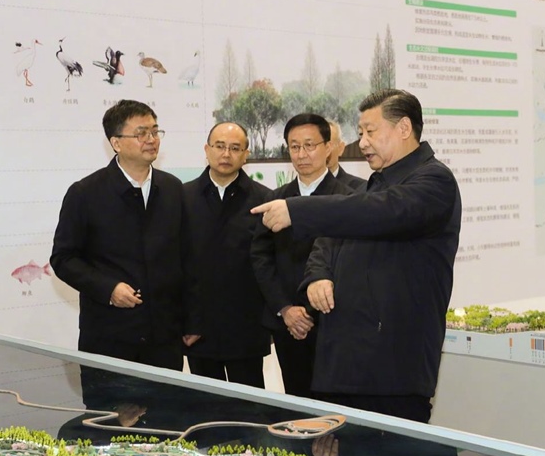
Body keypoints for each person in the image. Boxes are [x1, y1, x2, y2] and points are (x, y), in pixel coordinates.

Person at [252, 89, 462, 423]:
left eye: (370, 132)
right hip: (343, 366)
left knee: (392, 455)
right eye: (360, 133)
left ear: (403, 128)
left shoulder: (433, 181)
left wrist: (297, 210)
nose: (362, 143)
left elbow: (381, 212)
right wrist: (318, 276)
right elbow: (327, 242)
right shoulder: (373, 186)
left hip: (392, 370)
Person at [51, 99, 185, 371]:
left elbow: (188, 256)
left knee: (168, 400)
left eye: (155, 131)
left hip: (164, 339)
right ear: (116, 143)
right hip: (109, 337)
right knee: (109, 401)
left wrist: (191, 320)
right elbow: (63, 259)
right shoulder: (85, 193)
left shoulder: (173, 188)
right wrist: (108, 289)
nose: (151, 140)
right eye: (141, 133)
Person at [251, 113, 353, 397]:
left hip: (334, 323)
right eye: (294, 147)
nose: (301, 154)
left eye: (309, 145)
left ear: (328, 147)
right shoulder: (275, 198)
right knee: (296, 403)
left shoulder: (348, 199)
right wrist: (286, 309)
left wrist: (310, 313)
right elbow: (261, 258)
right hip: (287, 324)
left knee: (336, 405)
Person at [182, 122, 272, 387]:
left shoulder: (264, 200)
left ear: (246, 155)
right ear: (207, 150)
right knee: (206, 404)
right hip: (198, 329)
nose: (226, 154)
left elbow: (268, 265)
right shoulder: (182, 197)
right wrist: (186, 321)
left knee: (249, 406)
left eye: (235, 148)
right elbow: (175, 265)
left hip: (247, 329)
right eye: (219, 146)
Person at [327, 119, 366, 191]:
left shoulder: (360, 188)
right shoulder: (303, 189)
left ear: (341, 148)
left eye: (328, 145)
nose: (322, 151)